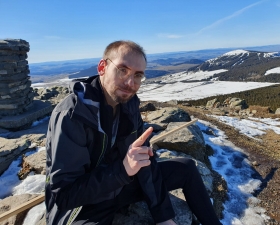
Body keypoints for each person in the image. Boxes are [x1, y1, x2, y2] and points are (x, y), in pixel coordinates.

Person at [45, 40, 222, 225]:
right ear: (102, 67)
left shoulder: (129, 106)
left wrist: (164, 218)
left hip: (119, 186)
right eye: (122, 70)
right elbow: (64, 195)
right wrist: (122, 170)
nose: (130, 82)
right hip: (82, 207)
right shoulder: (73, 114)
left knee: (186, 168)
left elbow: (143, 162)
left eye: (138, 75)